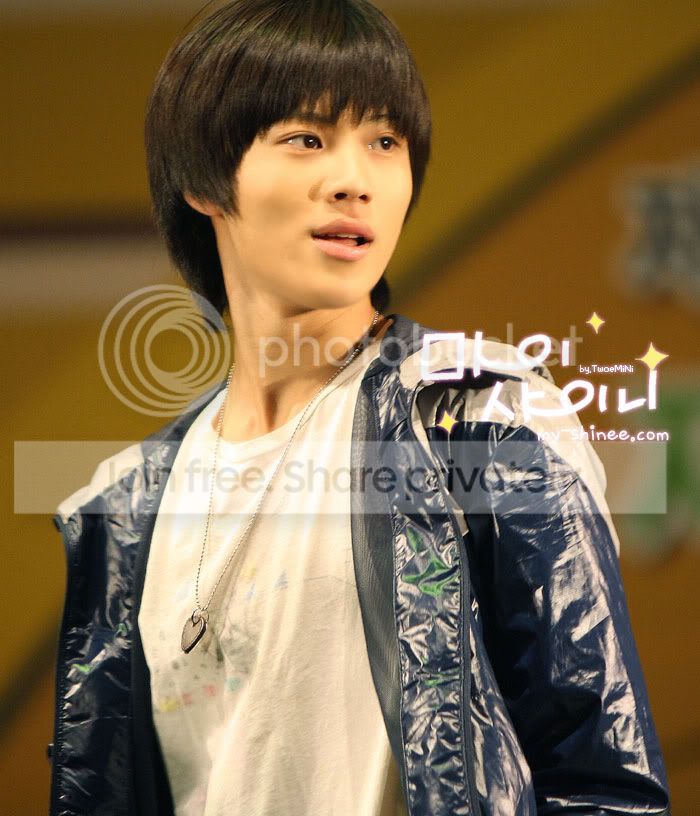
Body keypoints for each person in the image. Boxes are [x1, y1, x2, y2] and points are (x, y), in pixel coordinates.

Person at [48, 1, 671, 814]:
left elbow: (600, 781)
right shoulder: (125, 505)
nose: (354, 180)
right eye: (307, 139)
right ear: (204, 181)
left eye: (384, 141)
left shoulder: (479, 416)